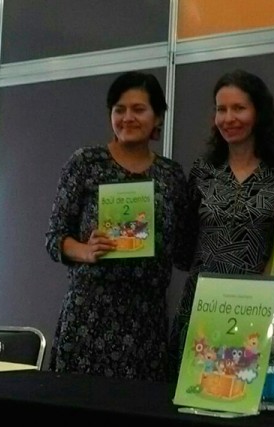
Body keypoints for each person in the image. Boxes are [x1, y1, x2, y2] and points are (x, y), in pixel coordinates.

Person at [45, 71, 190, 381]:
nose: (127, 118)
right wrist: (85, 250)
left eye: (138, 109)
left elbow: (183, 250)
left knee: (138, 408)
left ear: (157, 117)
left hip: (147, 319)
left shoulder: (171, 175)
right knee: (80, 405)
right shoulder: (85, 163)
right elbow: (54, 238)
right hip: (90, 313)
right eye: (119, 109)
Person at [169, 70, 274, 371]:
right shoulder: (203, 170)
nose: (228, 118)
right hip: (203, 303)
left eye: (239, 108)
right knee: (197, 389)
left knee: (246, 387)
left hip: (258, 305)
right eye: (221, 109)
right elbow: (184, 244)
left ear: (259, 112)